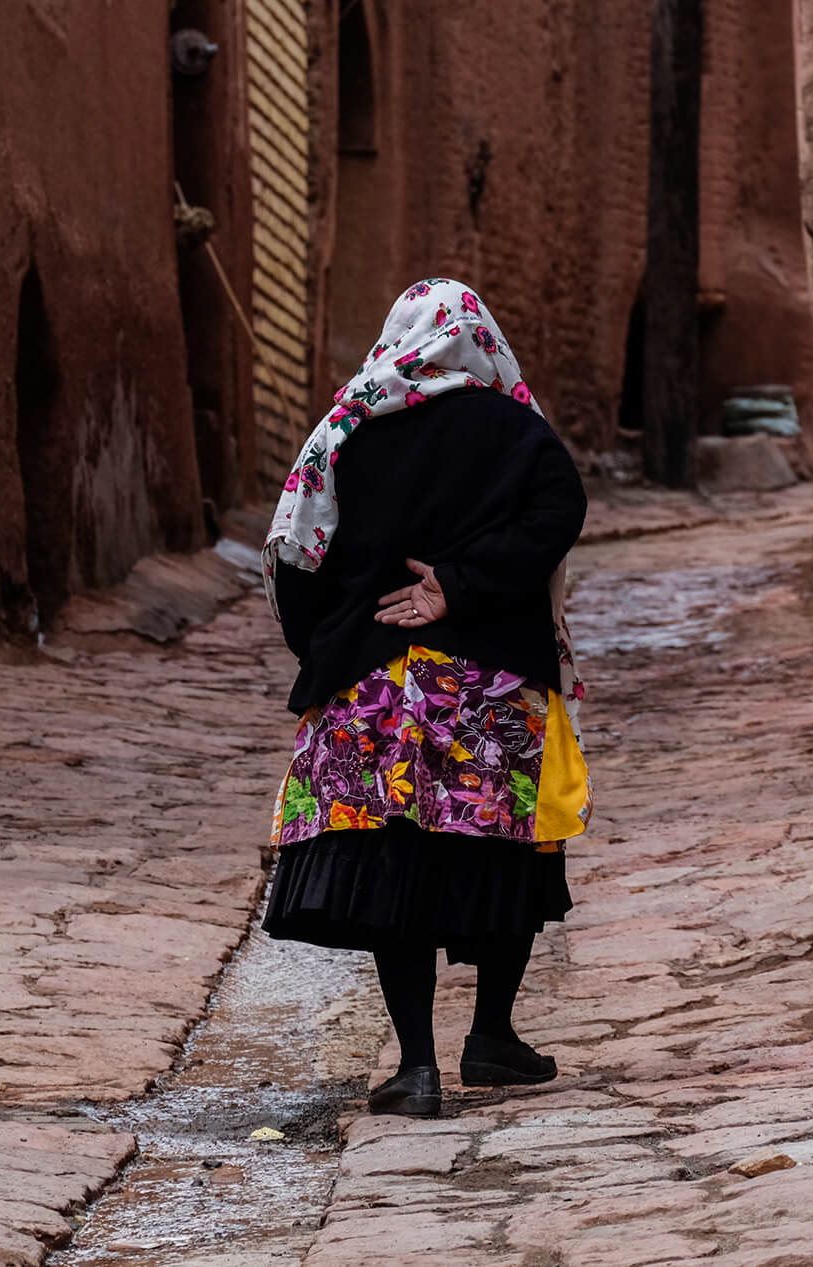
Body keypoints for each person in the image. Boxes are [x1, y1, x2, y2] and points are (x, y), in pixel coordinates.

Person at [261, 278, 592, 1118]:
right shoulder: (519, 429)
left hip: (372, 687)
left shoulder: (347, 429)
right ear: (480, 340)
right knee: (506, 849)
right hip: (492, 682)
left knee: (394, 865)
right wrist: (468, 587)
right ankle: (491, 1036)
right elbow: (564, 507)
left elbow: (296, 554)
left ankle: (415, 1064)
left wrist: (334, 647)